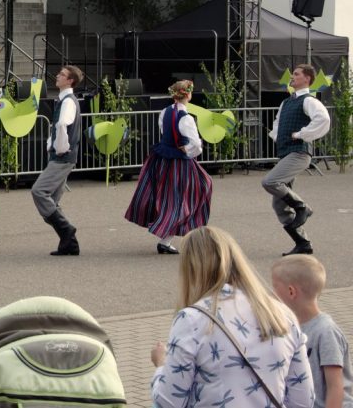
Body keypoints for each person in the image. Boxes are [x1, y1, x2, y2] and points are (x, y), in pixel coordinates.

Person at [150, 226, 314, 408]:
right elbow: (304, 401)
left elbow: (168, 402)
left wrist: (162, 364)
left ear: (190, 270)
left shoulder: (191, 320)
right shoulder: (281, 313)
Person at [124, 79, 213, 255]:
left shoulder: (166, 111)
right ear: (188, 95)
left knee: (173, 199)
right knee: (197, 191)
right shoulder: (186, 118)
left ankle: (171, 239)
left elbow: (164, 132)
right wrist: (189, 151)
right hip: (180, 163)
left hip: (162, 159)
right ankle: (182, 238)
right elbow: (195, 144)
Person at [262, 63, 330, 256]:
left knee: (270, 181)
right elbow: (277, 125)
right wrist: (279, 137)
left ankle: (302, 207)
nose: (292, 76)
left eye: (296, 74)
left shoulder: (309, 101)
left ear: (307, 78)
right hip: (287, 153)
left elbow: (323, 119)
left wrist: (301, 134)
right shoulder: (286, 102)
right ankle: (303, 243)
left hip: (299, 154)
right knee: (279, 204)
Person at [272, 255, 353, 408]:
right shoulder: (290, 326)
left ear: (291, 291)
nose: (271, 294)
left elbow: (336, 386)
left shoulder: (326, 332)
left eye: (275, 286)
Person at [32, 65, 83, 256]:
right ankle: (70, 243)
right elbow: (58, 126)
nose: (58, 76)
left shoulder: (68, 102)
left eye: (62, 75)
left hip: (62, 156)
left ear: (70, 81)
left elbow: (62, 125)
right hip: (63, 155)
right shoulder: (65, 100)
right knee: (52, 200)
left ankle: (67, 231)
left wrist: (59, 148)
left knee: (39, 191)